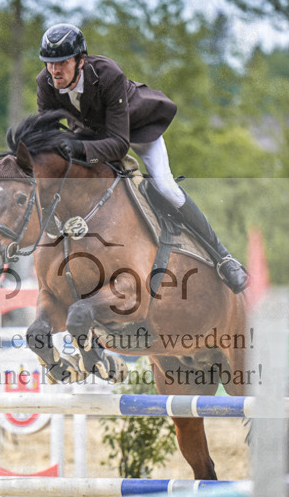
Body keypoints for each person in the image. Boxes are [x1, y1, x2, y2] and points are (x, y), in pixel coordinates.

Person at [35, 23, 249, 294]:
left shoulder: (107, 74)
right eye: (49, 63)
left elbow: (119, 143)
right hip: (90, 135)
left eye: (62, 63)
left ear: (80, 61)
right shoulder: (46, 83)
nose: (54, 71)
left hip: (135, 130)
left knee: (165, 187)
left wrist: (77, 150)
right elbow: (48, 134)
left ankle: (224, 258)